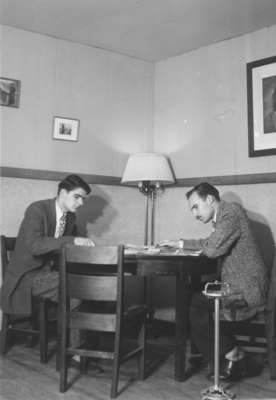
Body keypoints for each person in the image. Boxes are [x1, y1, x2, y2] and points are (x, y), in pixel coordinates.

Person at [160, 182, 268, 381]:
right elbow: (211, 243)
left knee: (192, 302)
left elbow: (211, 249)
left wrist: (189, 243)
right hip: (237, 284)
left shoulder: (231, 213)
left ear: (209, 199)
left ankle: (233, 356)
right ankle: (231, 357)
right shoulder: (223, 216)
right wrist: (182, 243)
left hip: (246, 290)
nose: (194, 213)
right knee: (193, 298)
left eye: (195, 207)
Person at [1, 174, 94, 315]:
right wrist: (73, 240)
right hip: (26, 276)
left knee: (89, 284)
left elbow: (64, 248)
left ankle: (68, 335)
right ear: (63, 193)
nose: (81, 203)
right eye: (77, 197)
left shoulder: (70, 217)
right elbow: (35, 245)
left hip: (50, 272)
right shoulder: (37, 209)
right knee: (77, 287)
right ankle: (69, 336)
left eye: (83, 199)